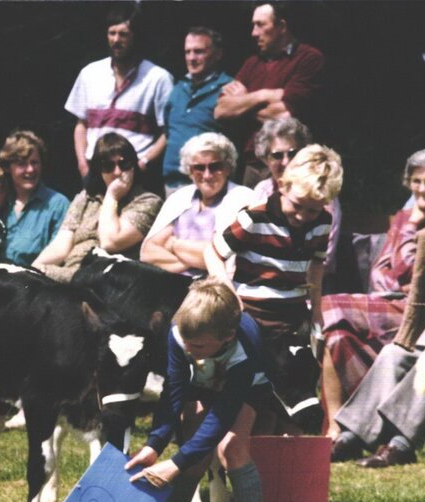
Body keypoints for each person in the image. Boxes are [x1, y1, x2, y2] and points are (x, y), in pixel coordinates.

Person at [125, 278, 274, 502]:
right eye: (186, 342)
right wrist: (155, 444)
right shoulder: (182, 334)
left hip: (245, 386)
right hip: (202, 383)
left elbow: (222, 416)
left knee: (232, 447)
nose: (190, 349)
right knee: (195, 453)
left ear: (227, 337)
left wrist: (174, 464)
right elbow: (174, 390)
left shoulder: (244, 348)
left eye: (199, 345)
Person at [321, 148, 425, 439]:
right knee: (338, 337)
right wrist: (398, 278)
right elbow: (381, 269)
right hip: (388, 303)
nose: (422, 189)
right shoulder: (402, 216)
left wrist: (411, 230)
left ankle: (363, 419)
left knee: (328, 305)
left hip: (420, 315)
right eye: (416, 181)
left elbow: (407, 272)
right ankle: (338, 424)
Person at [204, 144, 342, 411]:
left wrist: (316, 310)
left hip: (291, 312)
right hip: (251, 310)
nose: (303, 217)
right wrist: (228, 294)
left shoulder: (322, 221)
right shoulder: (256, 217)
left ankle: (295, 431)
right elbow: (212, 251)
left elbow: (316, 264)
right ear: (283, 186)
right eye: (298, 206)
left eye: (312, 210)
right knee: (247, 379)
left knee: (297, 377)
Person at [214, 2, 325, 186]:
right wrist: (263, 95)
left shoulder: (308, 58)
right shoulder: (252, 63)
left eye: (260, 24)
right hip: (252, 164)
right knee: (250, 214)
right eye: (253, 25)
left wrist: (243, 101)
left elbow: (285, 117)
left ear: (281, 26)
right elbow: (220, 110)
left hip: (290, 163)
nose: (254, 33)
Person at [65, 3, 173, 181]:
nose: (116, 40)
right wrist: (82, 164)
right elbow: (81, 124)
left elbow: (168, 132)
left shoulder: (158, 78)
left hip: (135, 173)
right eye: (112, 33)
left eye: (123, 34)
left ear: (135, 37)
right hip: (95, 172)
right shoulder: (90, 73)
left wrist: (144, 162)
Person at [32, 133, 160, 282]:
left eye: (124, 164)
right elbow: (62, 244)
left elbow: (110, 242)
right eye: (108, 166)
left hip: (106, 279)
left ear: (133, 166)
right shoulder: (86, 197)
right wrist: (34, 268)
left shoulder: (148, 201)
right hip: (71, 272)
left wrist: (112, 196)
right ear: (99, 170)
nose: (117, 172)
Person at [141, 132, 253, 277]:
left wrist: (174, 245)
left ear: (228, 168)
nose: (207, 175)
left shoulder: (242, 198)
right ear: (189, 171)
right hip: (171, 283)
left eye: (215, 166)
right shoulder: (180, 198)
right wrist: (199, 259)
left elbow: (227, 258)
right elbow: (148, 252)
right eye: (199, 168)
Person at [251, 117, 342, 278]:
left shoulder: (320, 195)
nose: (286, 162)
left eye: (293, 153)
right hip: (260, 280)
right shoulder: (262, 191)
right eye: (277, 155)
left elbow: (324, 260)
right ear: (266, 159)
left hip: (308, 283)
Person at [161, 27, 234, 195]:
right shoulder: (177, 89)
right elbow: (167, 132)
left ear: (218, 54)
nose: (192, 58)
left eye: (199, 52)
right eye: (188, 52)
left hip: (208, 183)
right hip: (172, 183)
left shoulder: (229, 89)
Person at [0, 130, 70, 266]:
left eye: (35, 162)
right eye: (22, 163)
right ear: (8, 167)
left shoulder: (58, 204)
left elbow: (60, 255)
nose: (30, 169)